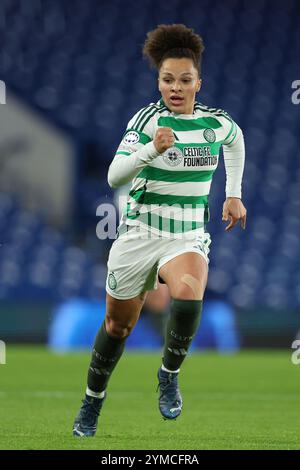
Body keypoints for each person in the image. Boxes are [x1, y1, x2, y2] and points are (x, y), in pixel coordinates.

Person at [73, 23, 247, 437]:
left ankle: (168, 375)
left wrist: (234, 193)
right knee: (118, 327)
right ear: (159, 81)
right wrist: (153, 148)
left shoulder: (216, 123)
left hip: (185, 234)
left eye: (185, 80)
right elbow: (115, 175)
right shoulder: (147, 121)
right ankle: (91, 401)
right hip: (140, 235)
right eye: (168, 79)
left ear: (197, 83)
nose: (176, 87)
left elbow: (235, 139)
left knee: (189, 291)